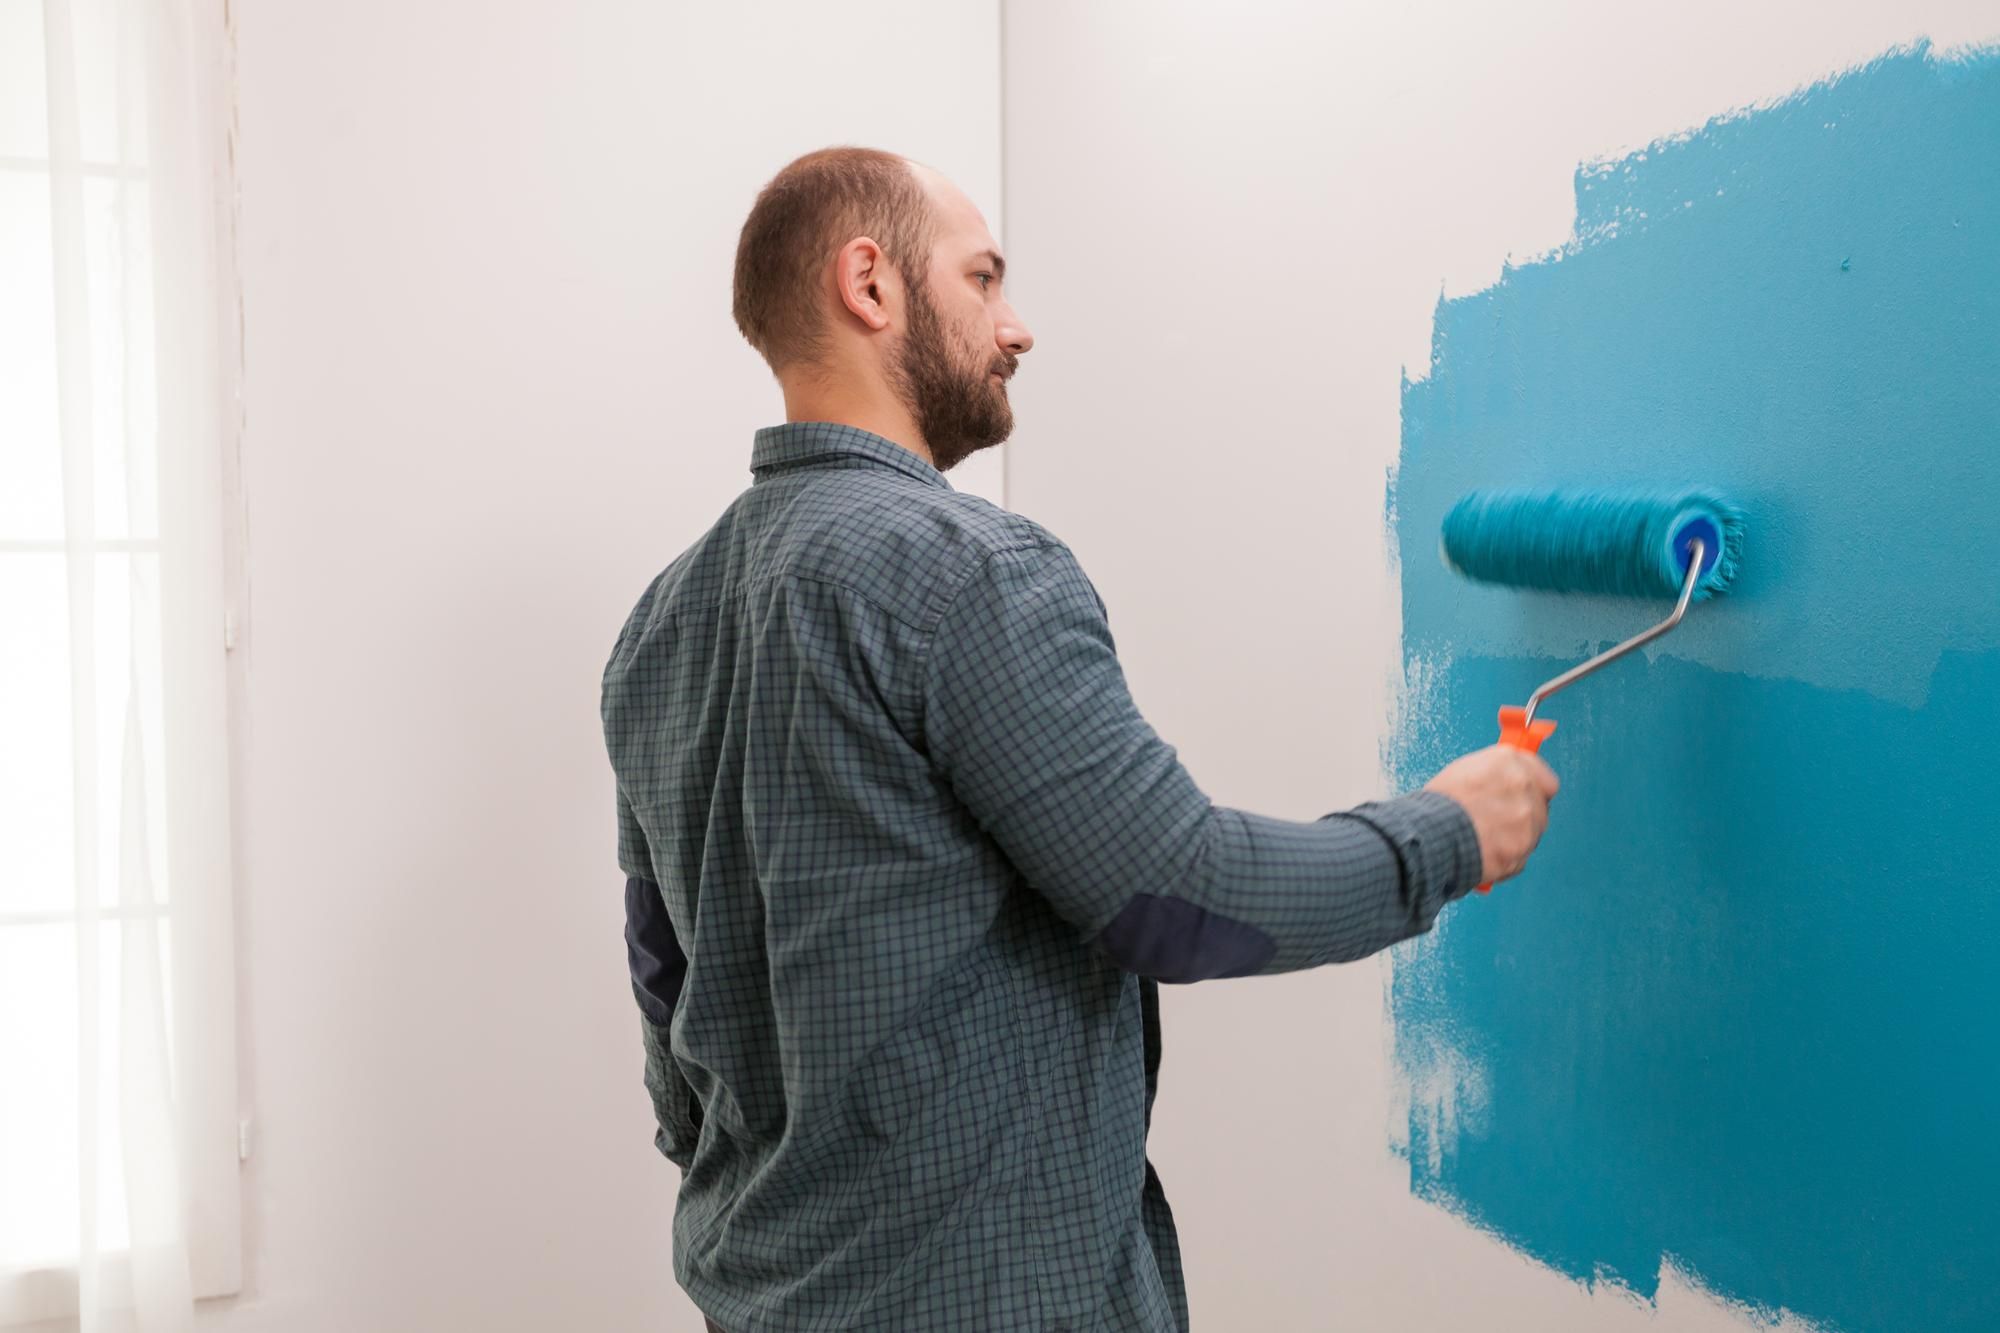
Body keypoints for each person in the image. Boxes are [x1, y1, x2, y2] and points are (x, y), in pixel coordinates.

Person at [599, 146, 1557, 1333]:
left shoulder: (660, 619)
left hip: (755, 1296)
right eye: (981, 278)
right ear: (869, 283)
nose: (1015, 327)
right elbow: (1180, 893)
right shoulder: (970, 569)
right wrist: (1451, 833)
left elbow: (663, 978)